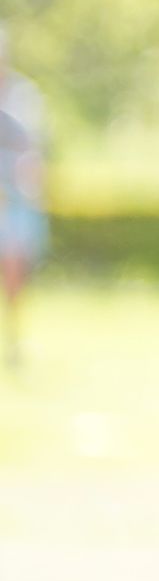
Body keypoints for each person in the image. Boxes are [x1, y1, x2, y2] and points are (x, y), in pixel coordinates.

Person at [0, 20, 42, 371]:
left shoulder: (23, 96)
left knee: (13, 271)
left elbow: (31, 151)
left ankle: (15, 340)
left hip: (13, 199)